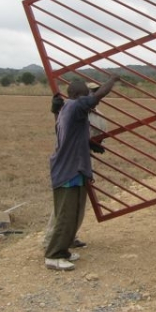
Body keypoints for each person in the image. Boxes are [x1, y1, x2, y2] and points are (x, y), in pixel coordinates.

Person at [44, 75, 120, 271]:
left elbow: (70, 134)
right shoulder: (76, 107)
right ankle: (53, 255)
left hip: (74, 167)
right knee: (66, 214)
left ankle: (64, 249)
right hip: (68, 169)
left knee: (75, 212)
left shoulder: (66, 110)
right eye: (87, 94)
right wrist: (113, 79)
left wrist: (90, 145)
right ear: (79, 95)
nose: (90, 97)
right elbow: (100, 95)